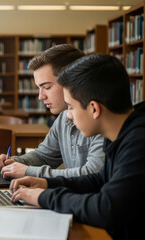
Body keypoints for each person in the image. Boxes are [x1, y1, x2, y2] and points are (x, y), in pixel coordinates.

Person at [10, 54, 144, 239]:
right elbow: (99, 180)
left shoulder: (138, 141)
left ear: (94, 109)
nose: (69, 116)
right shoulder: (119, 132)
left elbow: (107, 209)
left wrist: (43, 197)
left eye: (71, 107)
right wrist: (47, 183)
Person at [0, 44, 105, 178]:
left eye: (47, 87)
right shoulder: (63, 117)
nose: (40, 96)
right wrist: (13, 162)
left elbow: (93, 174)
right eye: (39, 88)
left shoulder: (101, 118)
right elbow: (43, 156)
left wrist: (27, 171)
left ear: (72, 81)